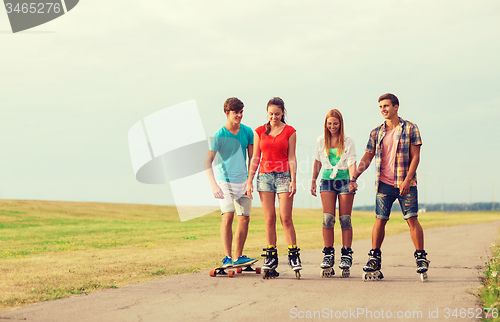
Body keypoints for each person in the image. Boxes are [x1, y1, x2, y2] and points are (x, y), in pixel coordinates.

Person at [349, 93, 429, 281]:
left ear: (396, 107)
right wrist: (354, 176)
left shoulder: (411, 128)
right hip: (384, 183)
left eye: (386, 106)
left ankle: (421, 258)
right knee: (380, 220)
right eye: (380, 107)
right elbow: (367, 157)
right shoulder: (376, 132)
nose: (383, 109)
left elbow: (416, 157)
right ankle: (374, 258)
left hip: (406, 182)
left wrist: (408, 180)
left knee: (412, 219)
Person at [246, 97, 301, 277]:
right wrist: (249, 180)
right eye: (271, 114)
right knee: (269, 218)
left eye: (277, 114)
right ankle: (271, 256)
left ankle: (293, 254)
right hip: (264, 177)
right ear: (267, 113)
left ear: (282, 112)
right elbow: (255, 157)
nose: (274, 117)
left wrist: (294, 179)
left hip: (284, 176)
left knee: (285, 217)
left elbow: (292, 157)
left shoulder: (290, 131)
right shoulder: (260, 131)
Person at [204, 97, 257, 269]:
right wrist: (214, 185)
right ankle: (227, 258)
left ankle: (238, 256)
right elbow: (207, 162)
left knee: (245, 219)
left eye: (241, 112)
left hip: (242, 181)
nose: (239, 115)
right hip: (224, 181)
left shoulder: (247, 132)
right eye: (236, 112)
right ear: (227, 113)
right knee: (228, 216)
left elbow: (252, 158)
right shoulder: (219, 135)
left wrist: (250, 181)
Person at [311, 109, 357, 277]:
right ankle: (328, 254)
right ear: (326, 124)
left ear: (341, 124)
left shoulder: (348, 141)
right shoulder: (321, 140)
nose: (332, 126)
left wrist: (353, 180)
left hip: (345, 181)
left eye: (335, 123)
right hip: (326, 181)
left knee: (345, 219)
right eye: (329, 123)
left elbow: (352, 161)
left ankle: (346, 254)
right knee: (327, 218)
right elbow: (317, 161)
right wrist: (313, 180)